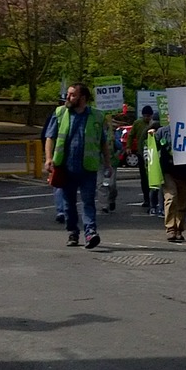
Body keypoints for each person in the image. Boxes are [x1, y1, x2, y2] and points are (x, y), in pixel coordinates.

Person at [43, 82, 111, 249]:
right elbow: (50, 137)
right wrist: (49, 158)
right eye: (68, 94)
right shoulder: (60, 113)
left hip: (88, 168)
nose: (68, 97)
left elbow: (103, 142)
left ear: (83, 98)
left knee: (88, 202)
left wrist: (108, 163)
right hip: (65, 167)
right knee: (69, 204)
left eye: (72, 95)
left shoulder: (97, 116)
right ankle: (73, 232)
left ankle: (90, 233)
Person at [154, 121, 186, 243]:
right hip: (169, 172)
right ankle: (170, 228)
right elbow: (152, 148)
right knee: (171, 197)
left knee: (182, 203)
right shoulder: (162, 132)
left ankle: (179, 229)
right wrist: (150, 136)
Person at [42, 98, 67, 223]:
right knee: (59, 184)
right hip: (59, 157)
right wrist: (48, 157)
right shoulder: (57, 114)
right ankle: (62, 211)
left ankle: (64, 210)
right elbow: (47, 136)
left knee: (66, 186)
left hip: (74, 157)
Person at [129, 105, 154, 211]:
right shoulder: (138, 123)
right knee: (144, 178)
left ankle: (153, 200)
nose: (147, 118)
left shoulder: (154, 123)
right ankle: (146, 199)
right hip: (141, 153)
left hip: (153, 154)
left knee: (153, 178)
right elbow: (131, 135)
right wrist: (128, 147)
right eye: (145, 116)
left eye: (148, 116)